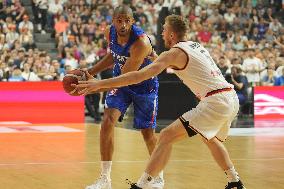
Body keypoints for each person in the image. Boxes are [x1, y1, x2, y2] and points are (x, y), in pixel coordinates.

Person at [74, 15, 246, 189]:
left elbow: (137, 76)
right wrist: (157, 58)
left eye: (164, 30)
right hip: (230, 98)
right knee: (210, 139)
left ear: (171, 35)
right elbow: (184, 65)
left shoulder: (173, 53)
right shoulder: (195, 46)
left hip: (215, 102)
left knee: (165, 136)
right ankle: (235, 181)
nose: (162, 33)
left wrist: (98, 85)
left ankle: (141, 185)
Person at [77, 5, 163, 189]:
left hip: (144, 86)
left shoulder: (141, 42)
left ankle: (158, 177)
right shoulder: (110, 33)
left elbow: (126, 77)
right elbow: (113, 56)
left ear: (132, 21)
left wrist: (95, 86)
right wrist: (90, 72)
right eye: (119, 20)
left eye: (127, 20)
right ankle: (105, 179)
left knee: (147, 133)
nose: (123, 24)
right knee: (107, 120)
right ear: (113, 21)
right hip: (121, 82)